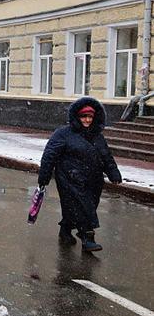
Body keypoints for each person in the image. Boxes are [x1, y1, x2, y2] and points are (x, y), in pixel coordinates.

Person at [37, 97, 122, 253]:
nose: (88, 120)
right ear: (77, 117)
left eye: (90, 117)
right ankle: (88, 238)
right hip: (69, 178)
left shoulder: (97, 136)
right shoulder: (63, 134)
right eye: (84, 116)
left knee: (82, 207)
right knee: (83, 208)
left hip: (93, 180)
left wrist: (113, 173)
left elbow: (106, 155)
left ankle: (65, 229)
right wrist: (44, 177)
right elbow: (50, 155)